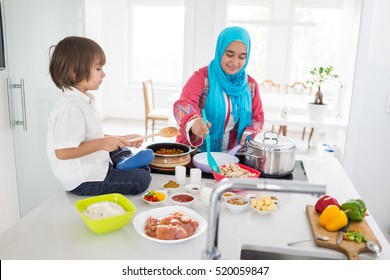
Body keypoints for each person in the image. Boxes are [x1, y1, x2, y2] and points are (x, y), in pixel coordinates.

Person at [47, 36, 154, 196]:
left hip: (93, 165)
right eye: (98, 69)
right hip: (83, 180)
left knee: (121, 147)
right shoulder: (70, 108)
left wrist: (121, 138)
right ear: (74, 71)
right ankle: (122, 164)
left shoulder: (81, 101)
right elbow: (63, 152)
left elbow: (89, 136)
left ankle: (122, 162)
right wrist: (103, 143)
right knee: (142, 178)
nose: (103, 74)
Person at [173, 26, 264, 152]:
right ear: (220, 51)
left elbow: (257, 118)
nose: (235, 62)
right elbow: (183, 105)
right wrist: (194, 121)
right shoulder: (201, 78)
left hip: (231, 155)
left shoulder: (251, 85)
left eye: (242, 57)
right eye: (229, 54)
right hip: (196, 152)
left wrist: (248, 133)